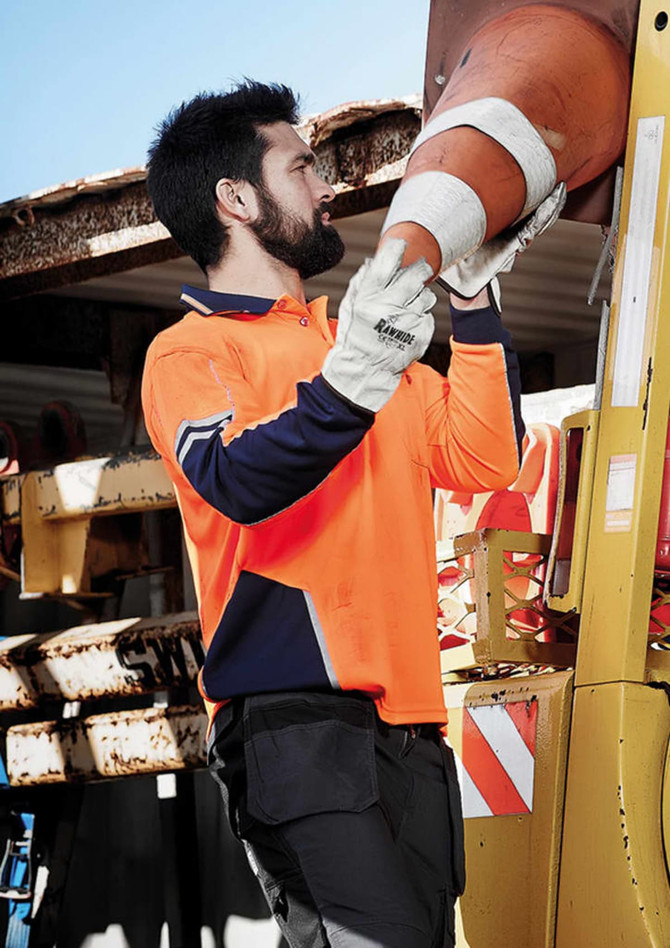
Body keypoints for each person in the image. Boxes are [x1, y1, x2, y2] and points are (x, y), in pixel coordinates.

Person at [141, 80, 538, 948]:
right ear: (237, 199)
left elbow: (484, 454)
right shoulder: (192, 351)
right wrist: (353, 378)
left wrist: (471, 301)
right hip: (294, 724)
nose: (327, 189)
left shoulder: (350, 343)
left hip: (412, 732)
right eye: (303, 166)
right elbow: (238, 474)